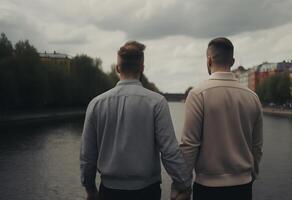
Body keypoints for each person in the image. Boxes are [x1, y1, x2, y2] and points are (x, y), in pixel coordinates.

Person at [80, 41, 192, 200]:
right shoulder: (157, 102)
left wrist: (90, 188)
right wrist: (184, 185)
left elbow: (87, 155)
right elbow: (169, 151)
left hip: (109, 191)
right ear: (142, 68)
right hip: (147, 191)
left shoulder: (96, 104)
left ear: (117, 68)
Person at [180, 37, 263, 200]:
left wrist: (181, 185)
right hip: (243, 187)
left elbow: (189, 145)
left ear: (209, 60)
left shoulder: (198, 94)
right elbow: (257, 147)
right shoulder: (252, 97)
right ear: (232, 61)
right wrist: (252, 174)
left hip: (208, 187)